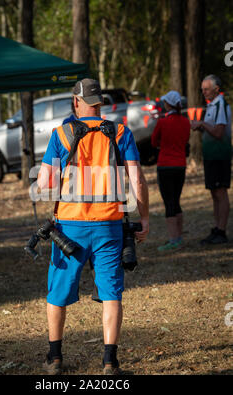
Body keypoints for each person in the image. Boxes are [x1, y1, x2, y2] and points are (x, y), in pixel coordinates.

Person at [37, 78, 149, 375]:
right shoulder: (121, 132)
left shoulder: (60, 134)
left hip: (69, 226)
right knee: (111, 293)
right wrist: (145, 217)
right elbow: (137, 181)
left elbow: (44, 184)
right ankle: (110, 361)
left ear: (76, 102)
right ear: (100, 103)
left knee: (57, 293)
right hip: (110, 224)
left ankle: (55, 357)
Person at [191, 75, 231, 244]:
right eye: (202, 89)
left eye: (206, 89)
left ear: (216, 89)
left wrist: (201, 124)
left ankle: (221, 231)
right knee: (214, 192)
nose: (203, 92)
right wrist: (201, 127)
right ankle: (217, 228)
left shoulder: (220, 105)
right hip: (211, 155)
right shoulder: (212, 106)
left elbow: (219, 132)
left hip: (219, 155)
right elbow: (211, 131)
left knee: (220, 192)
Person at [151, 91, 190, 251]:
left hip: (165, 165)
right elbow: (186, 140)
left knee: (169, 203)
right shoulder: (186, 122)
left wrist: (163, 145)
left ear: (168, 104)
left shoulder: (163, 122)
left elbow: (154, 141)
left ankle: (173, 240)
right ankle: (179, 237)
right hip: (180, 165)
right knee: (176, 200)